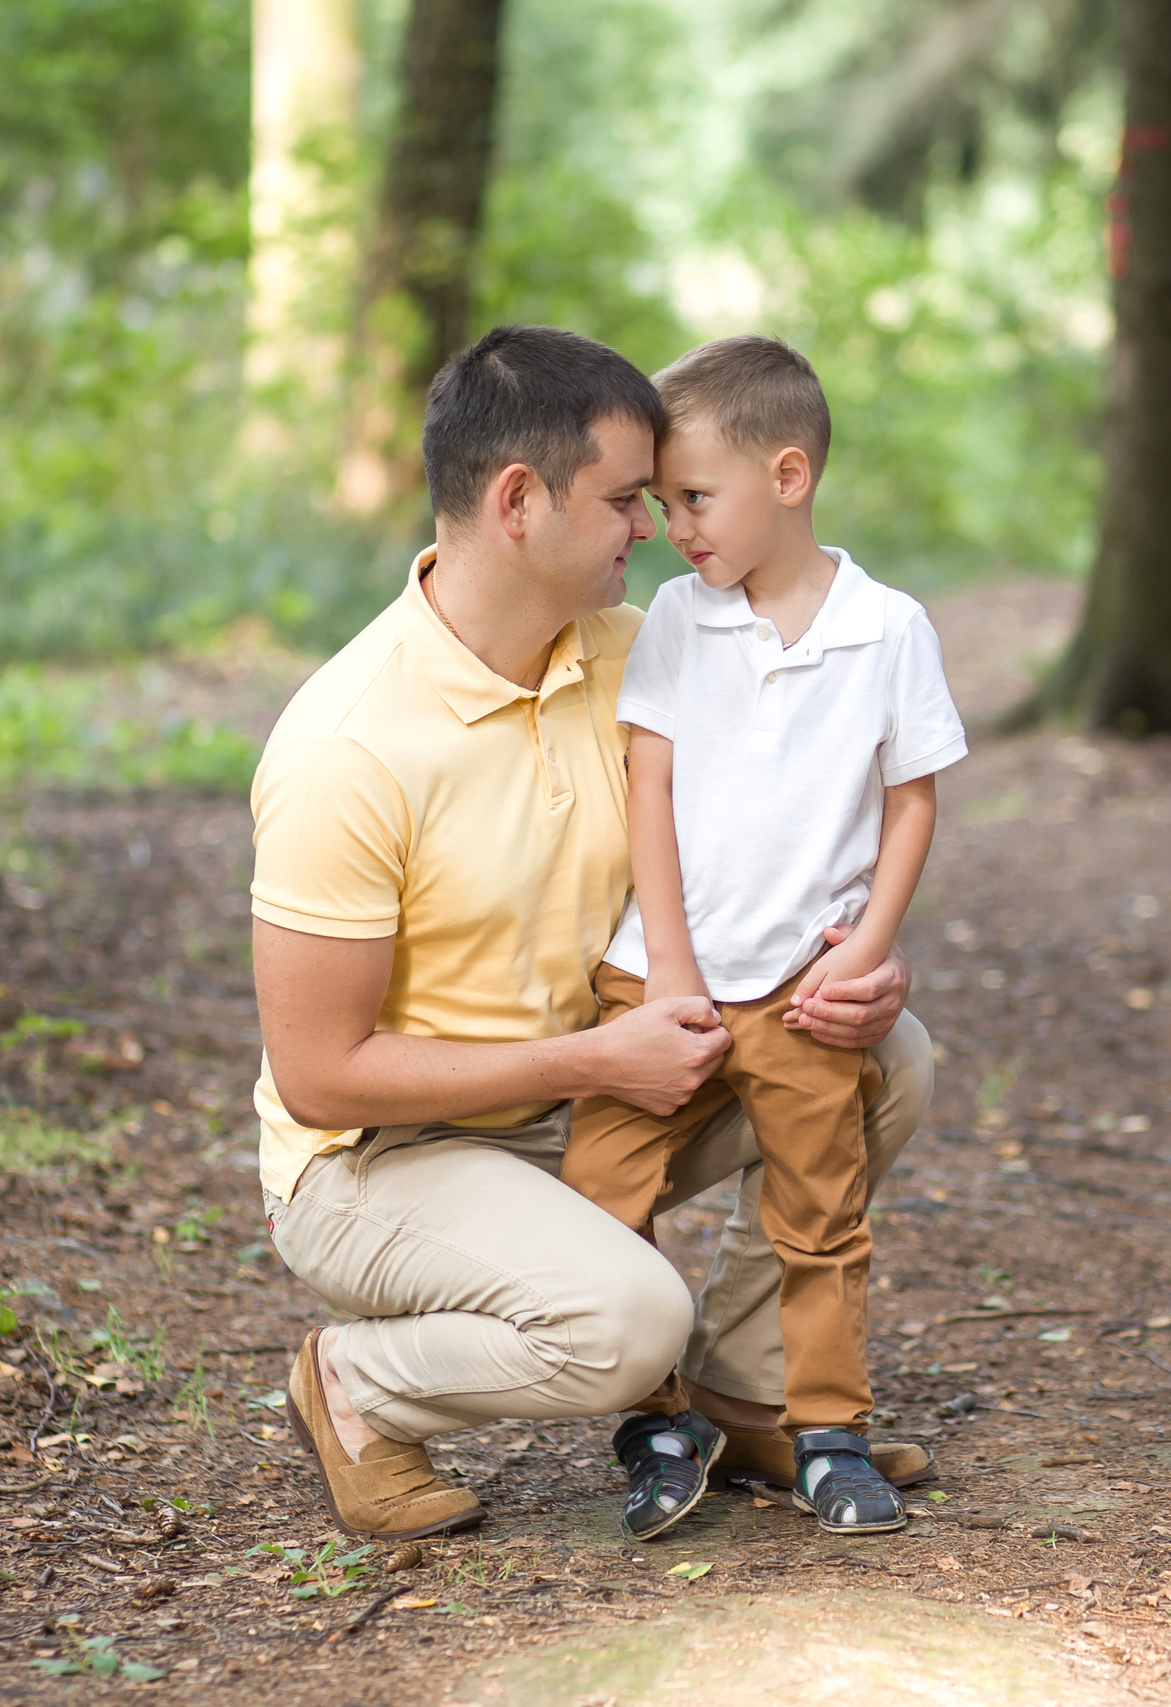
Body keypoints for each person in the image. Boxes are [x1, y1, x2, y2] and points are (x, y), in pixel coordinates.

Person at [248, 325, 936, 1543]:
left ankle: (742, 1394)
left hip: (599, 1090)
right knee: (624, 1324)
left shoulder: (646, 650)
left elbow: (795, 828)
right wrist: (589, 1063)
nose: (654, 527)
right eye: (626, 499)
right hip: (386, 1155)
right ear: (518, 502)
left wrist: (853, 956)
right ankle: (358, 1384)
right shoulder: (345, 749)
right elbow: (318, 1074)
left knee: (886, 1058)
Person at [561, 337, 966, 1540]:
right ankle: (659, 1419)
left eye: (693, 497)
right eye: (664, 502)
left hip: (800, 987)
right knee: (600, 1198)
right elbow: (649, 785)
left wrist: (868, 945)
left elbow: (912, 798)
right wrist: (669, 970)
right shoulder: (680, 622)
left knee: (820, 1214)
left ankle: (823, 1433)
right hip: (660, 973)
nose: (673, 526)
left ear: (787, 477)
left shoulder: (888, 630)